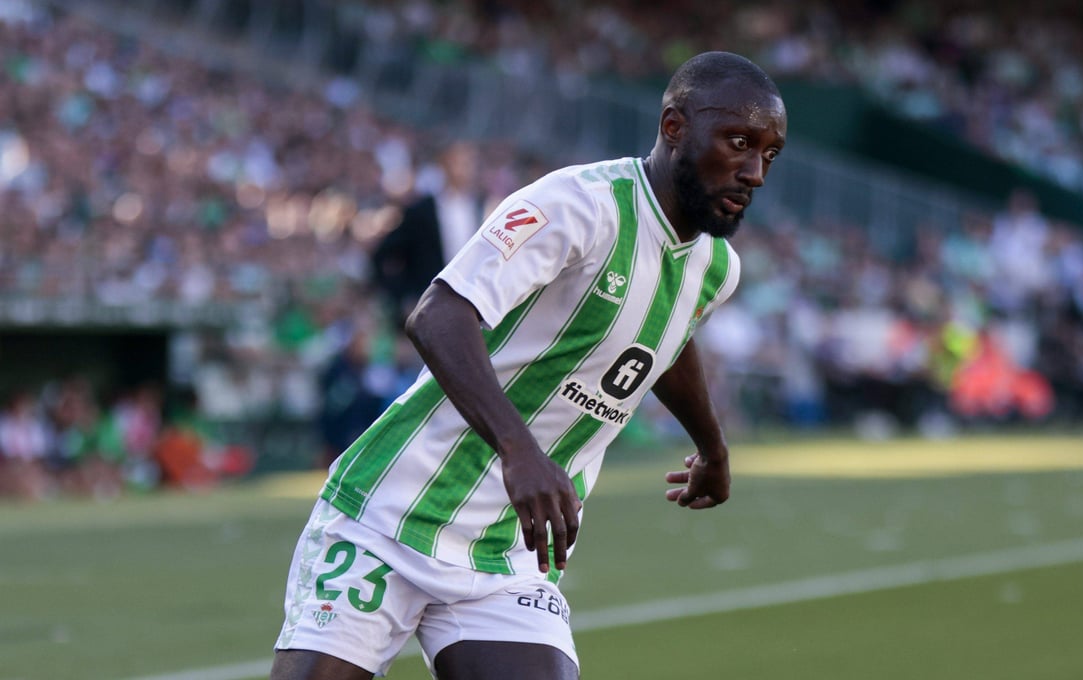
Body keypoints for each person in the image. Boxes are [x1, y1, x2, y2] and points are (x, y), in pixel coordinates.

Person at [270, 51, 786, 680]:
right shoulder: (579, 204)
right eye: (739, 142)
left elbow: (667, 338)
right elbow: (438, 315)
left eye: (769, 154)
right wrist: (520, 451)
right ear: (674, 127)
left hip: (509, 549)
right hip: (392, 516)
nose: (755, 172)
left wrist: (713, 446)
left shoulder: (716, 268)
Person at [371, 141, 485, 329]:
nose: (466, 169)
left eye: (470, 162)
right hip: (429, 307)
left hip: (470, 308)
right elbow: (383, 254)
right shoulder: (421, 210)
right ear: (443, 164)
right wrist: (403, 296)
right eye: (459, 162)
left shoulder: (481, 207)